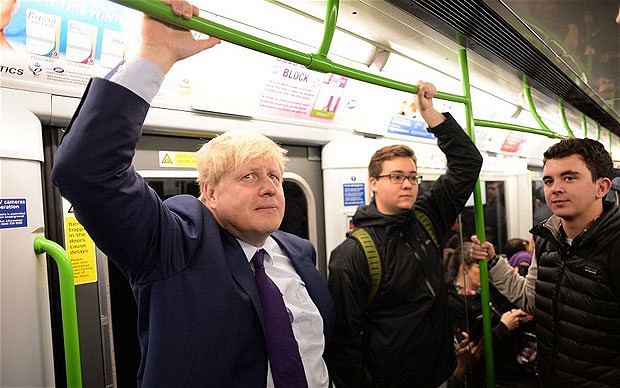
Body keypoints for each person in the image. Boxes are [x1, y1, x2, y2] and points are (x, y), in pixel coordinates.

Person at [51, 1, 335, 387]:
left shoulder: (298, 251)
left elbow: (316, 348)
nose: (270, 186)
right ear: (210, 193)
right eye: (249, 176)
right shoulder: (176, 246)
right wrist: (156, 54)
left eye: (275, 176)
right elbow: (87, 170)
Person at [325, 82, 483, 388]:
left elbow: (468, 164)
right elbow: (345, 342)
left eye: (412, 177)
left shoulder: (427, 217)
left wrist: (431, 115)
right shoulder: (353, 254)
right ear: (373, 183)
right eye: (396, 177)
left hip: (441, 371)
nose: (408, 184)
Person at [470, 137, 620, 387]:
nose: (555, 188)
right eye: (549, 180)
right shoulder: (547, 241)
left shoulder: (614, 245)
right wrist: (493, 261)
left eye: (569, 178)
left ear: (601, 187)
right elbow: (532, 300)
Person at [446, 242, 537, 387]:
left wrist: (519, 315)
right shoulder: (453, 303)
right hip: (487, 376)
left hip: (508, 366)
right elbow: (472, 350)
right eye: (478, 266)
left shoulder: (488, 292)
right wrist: (504, 326)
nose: (484, 271)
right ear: (464, 269)